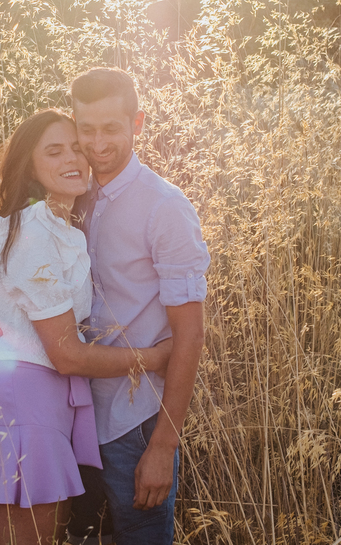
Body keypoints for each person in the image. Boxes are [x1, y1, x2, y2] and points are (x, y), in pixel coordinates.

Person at [0, 109, 174, 545]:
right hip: (29, 398)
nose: (73, 158)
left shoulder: (59, 228)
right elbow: (67, 354)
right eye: (54, 151)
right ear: (30, 167)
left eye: (76, 147)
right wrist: (156, 357)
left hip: (44, 398)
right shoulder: (33, 233)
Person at [69, 68, 210, 545]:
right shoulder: (73, 195)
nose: (97, 141)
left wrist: (163, 446)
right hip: (76, 411)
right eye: (86, 129)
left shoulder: (164, 207)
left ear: (138, 123)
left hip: (137, 421)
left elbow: (189, 335)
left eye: (111, 127)